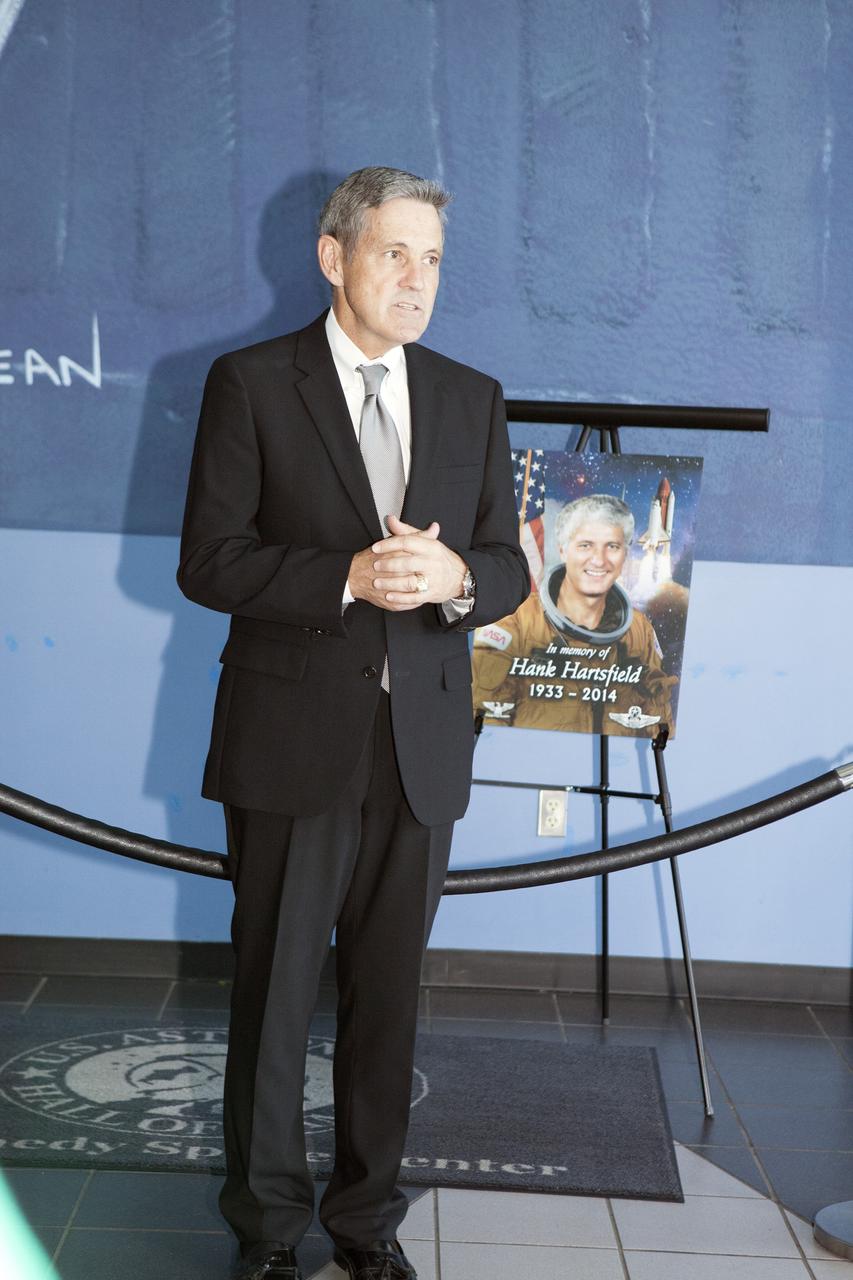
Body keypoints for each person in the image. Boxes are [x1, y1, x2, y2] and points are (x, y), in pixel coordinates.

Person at [178, 167, 529, 1280]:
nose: (415, 279)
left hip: (421, 749)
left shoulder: (473, 394)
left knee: (388, 1003)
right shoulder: (250, 382)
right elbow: (210, 560)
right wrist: (350, 576)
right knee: (276, 998)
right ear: (335, 257)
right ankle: (269, 1232)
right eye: (394, 254)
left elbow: (510, 565)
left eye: (431, 259)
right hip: (291, 742)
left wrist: (454, 576)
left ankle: (367, 1224)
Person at [472, 493, 676, 736]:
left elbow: (655, 717)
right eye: (585, 545)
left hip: (616, 761)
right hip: (531, 758)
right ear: (562, 550)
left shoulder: (639, 630)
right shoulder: (515, 618)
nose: (599, 560)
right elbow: (483, 704)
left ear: (625, 555)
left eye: (612, 546)